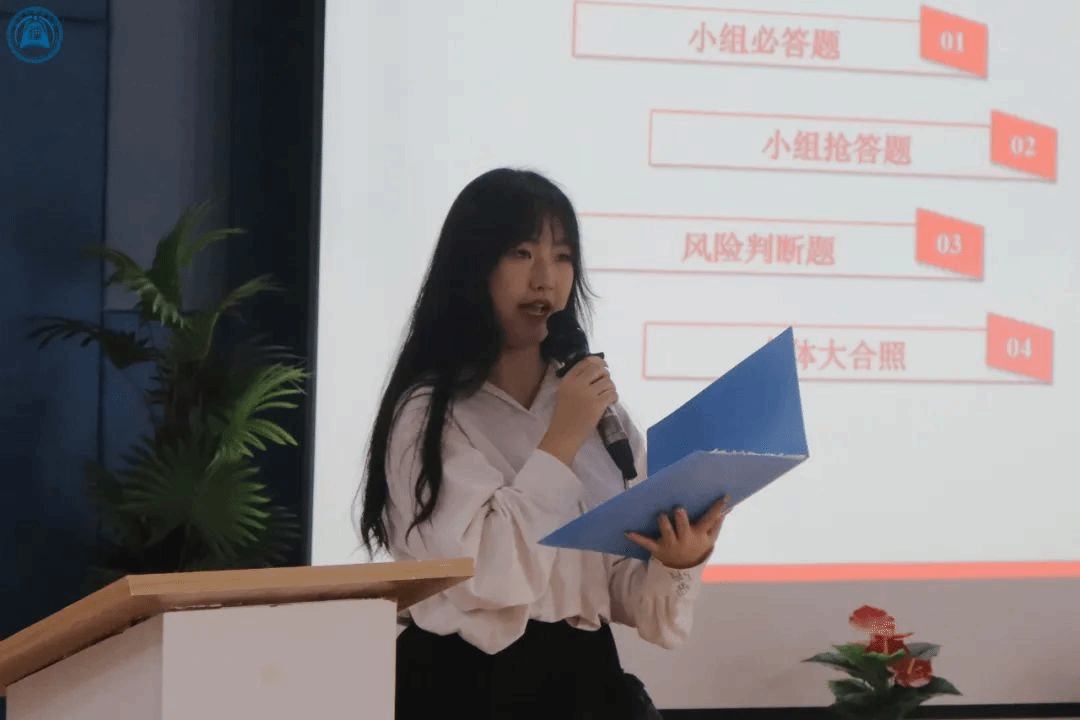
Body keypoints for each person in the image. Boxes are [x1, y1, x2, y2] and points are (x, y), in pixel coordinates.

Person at [356, 167, 728, 719]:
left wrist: (677, 560)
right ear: (472, 268)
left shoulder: (595, 409)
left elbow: (621, 591)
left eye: (562, 257)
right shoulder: (429, 414)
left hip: (585, 681)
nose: (545, 279)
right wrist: (562, 438)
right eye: (521, 254)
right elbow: (488, 575)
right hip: (462, 687)